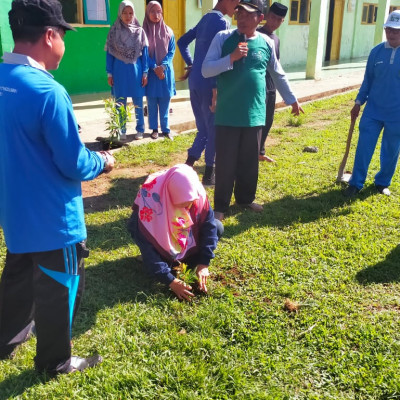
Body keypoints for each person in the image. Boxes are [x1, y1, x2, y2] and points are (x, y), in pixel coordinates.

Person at [0, 0, 115, 375]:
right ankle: (55, 361)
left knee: (17, 277)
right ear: (50, 35)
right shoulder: (48, 92)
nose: (63, 43)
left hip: (15, 214)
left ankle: (5, 342)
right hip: (54, 220)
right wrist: (103, 161)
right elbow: (73, 163)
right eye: (63, 34)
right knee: (59, 287)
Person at [202, 0, 303, 221]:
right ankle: (220, 206)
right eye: (239, 13)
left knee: (249, 162)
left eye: (248, 15)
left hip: (255, 113)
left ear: (260, 18)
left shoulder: (266, 42)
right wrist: (231, 58)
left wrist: (292, 99)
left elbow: (278, 74)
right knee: (226, 162)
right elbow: (206, 70)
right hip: (228, 114)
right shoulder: (223, 38)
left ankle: (245, 199)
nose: (242, 18)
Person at [127, 164, 223, 301]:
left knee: (217, 226)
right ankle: (164, 259)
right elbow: (148, 246)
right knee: (154, 259)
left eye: (191, 203)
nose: (188, 208)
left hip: (184, 240)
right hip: (159, 235)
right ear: (170, 195)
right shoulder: (150, 201)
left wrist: (204, 263)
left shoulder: (197, 193)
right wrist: (171, 281)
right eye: (183, 204)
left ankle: (177, 260)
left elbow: (210, 228)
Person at [177, 0, 239, 186]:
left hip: (195, 80)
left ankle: (189, 162)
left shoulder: (205, 19)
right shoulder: (222, 23)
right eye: (237, 2)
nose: (238, 7)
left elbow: (182, 42)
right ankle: (209, 173)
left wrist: (192, 63)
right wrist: (215, 87)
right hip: (209, 82)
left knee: (203, 127)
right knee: (213, 128)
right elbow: (219, 57)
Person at [344, 10, 400, 198]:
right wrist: (358, 102)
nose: (392, 34)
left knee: (391, 150)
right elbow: (368, 80)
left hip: (396, 114)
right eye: (389, 29)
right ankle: (356, 182)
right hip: (373, 111)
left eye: (396, 31)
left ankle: (382, 182)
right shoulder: (376, 52)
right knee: (364, 146)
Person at [105, 0, 149, 141]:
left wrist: (145, 73)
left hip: (136, 70)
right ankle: (121, 130)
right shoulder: (113, 31)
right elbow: (109, 53)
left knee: (138, 102)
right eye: (124, 12)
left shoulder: (140, 31)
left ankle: (140, 129)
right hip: (119, 71)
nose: (128, 16)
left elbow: (145, 54)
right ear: (120, 13)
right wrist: (109, 73)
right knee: (120, 102)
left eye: (130, 13)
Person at [257, 2, 288, 163]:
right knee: (256, 120)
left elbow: (277, 65)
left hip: (271, 85)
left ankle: (260, 152)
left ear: (282, 22)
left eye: (279, 20)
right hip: (258, 84)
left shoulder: (276, 39)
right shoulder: (256, 34)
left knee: (268, 120)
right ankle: (250, 152)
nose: (274, 22)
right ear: (267, 16)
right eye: (273, 17)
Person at [143, 1, 176, 141]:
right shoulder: (143, 32)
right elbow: (142, 53)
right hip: (151, 72)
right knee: (151, 102)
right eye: (153, 11)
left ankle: (166, 129)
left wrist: (162, 66)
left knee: (165, 101)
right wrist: (153, 66)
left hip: (165, 72)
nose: (156, 15)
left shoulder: (169, 31)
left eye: (159, 12)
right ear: (147, 12)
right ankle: (154, 129)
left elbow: (171, 51)